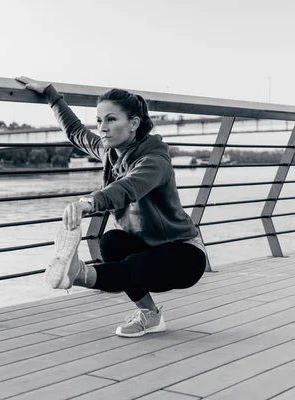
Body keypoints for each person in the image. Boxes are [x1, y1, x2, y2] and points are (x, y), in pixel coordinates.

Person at [15, 76, 207, 338]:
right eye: (99, 120)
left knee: (133, 266)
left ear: (134, 124)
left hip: (184, 256)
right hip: (147, 248)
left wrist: (89, 202)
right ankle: (151, 315)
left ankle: (78, 274)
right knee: (112, 241)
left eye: (111, 119)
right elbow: (76, 133)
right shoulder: (110, 152)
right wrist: (51, 95)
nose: (102, 127)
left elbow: (128, 187)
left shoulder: (154, 161)